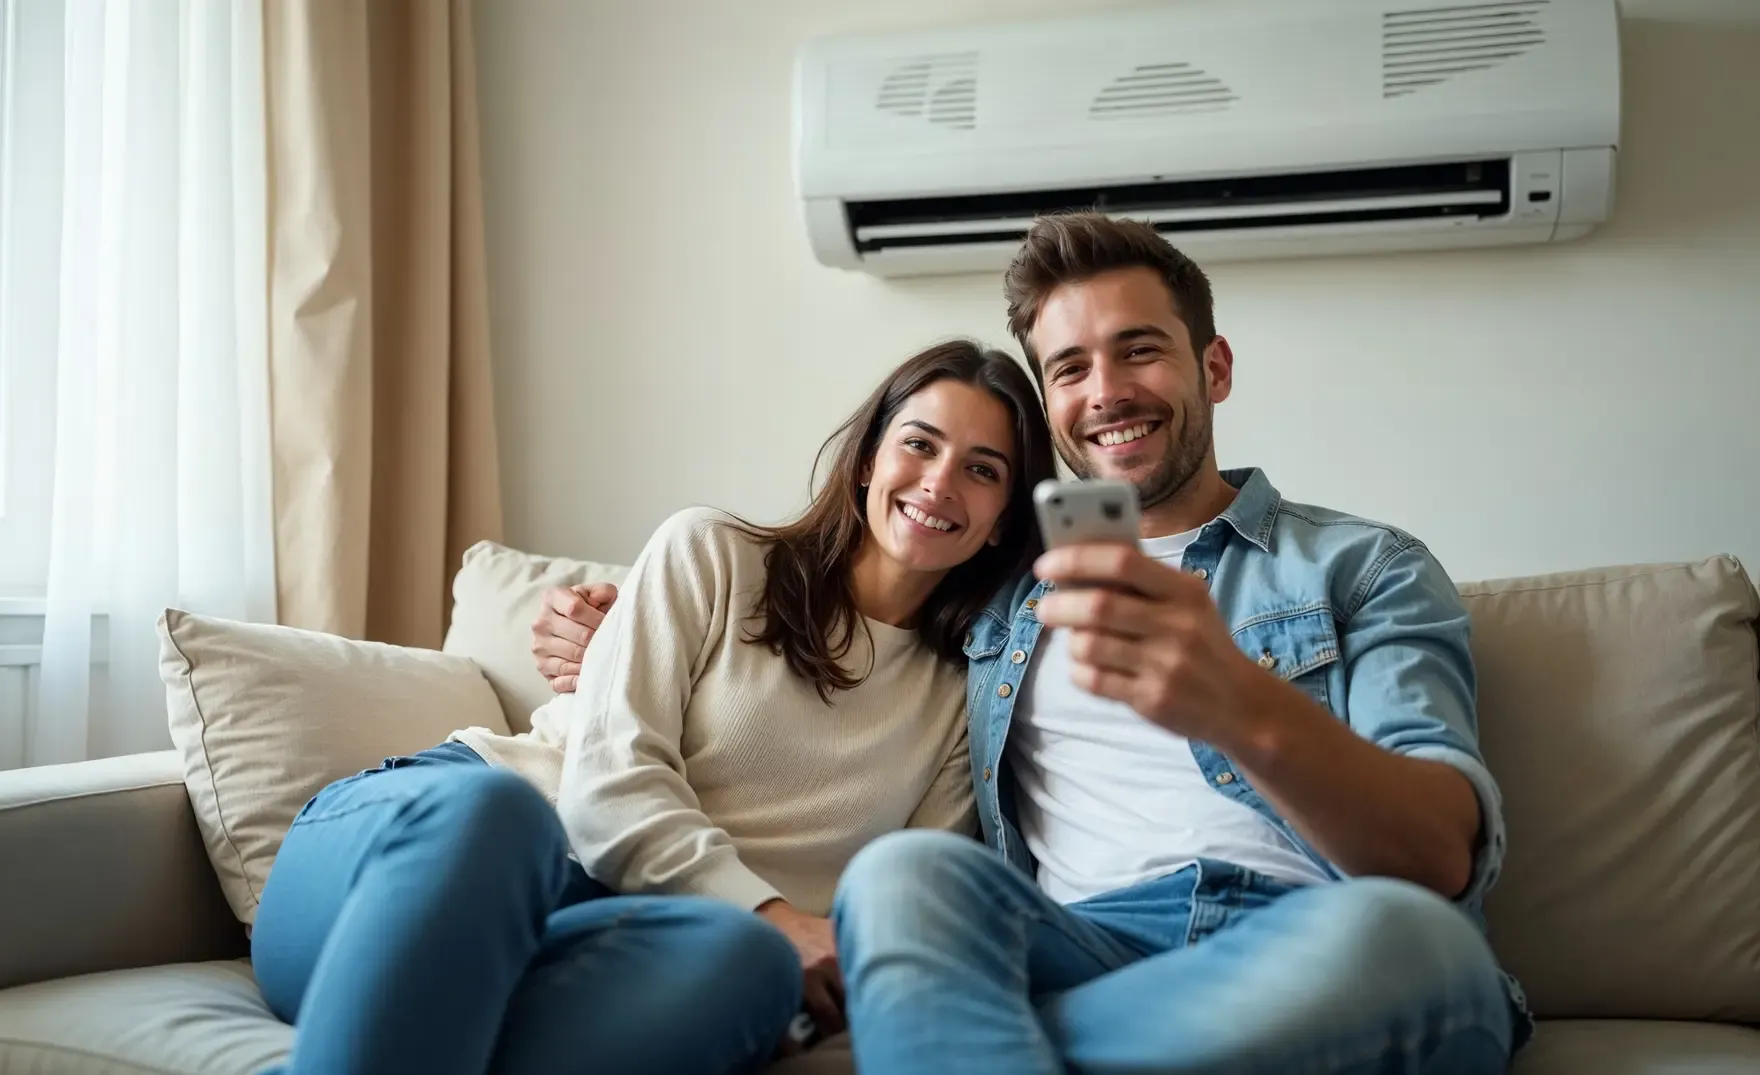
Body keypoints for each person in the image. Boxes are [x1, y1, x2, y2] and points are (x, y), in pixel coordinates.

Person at [534, 214, 1527, 1074]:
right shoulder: (997, 595)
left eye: (1139, 350)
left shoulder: (1363, 566)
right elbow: (831, 611)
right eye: (1069, 368)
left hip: (1313, 937)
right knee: (900, 878)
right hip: (1077, 947)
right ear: (1049, 408)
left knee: (1414, 945)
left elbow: (1437, 856)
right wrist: (617, 631)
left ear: (1211, 368)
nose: (1106, 392)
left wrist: (1235, 701)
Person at [249, 339, 1055, 1075]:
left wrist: (783, 943)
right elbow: (606, 787)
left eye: (983, 469)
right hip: (422, 860)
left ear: (1000, 523)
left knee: (751, 969)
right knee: (501, 813)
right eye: (919, 443)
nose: (940, 481)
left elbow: (897, 902)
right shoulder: (713, 554)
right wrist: (773, 910)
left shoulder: (966, 697)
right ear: (865, 464)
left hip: (596, 936)